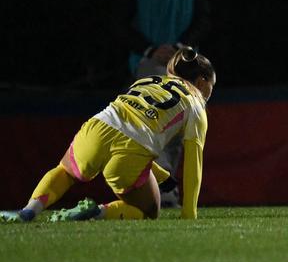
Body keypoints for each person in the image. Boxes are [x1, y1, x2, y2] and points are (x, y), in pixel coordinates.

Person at [1, 49, 215, 222]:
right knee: (149, 211)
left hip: (99, 126)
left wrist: (160, 176)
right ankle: (97, 212)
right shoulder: (196, 104)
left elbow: (125, 123)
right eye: (210, 87)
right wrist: (189, 214)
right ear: (202, 82)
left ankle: (29, 210)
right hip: (132, 150)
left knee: (65, 172)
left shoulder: (147, 81)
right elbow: (193, 165)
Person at [120, 0, 210, 204]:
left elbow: (203, 18)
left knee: (181, 125)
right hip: (149, 63)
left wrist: (181, 47)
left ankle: (166, 187)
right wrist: (149, 49)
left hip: (182, 63)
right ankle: (156, 186)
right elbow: (118, 23)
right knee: (152, 124)